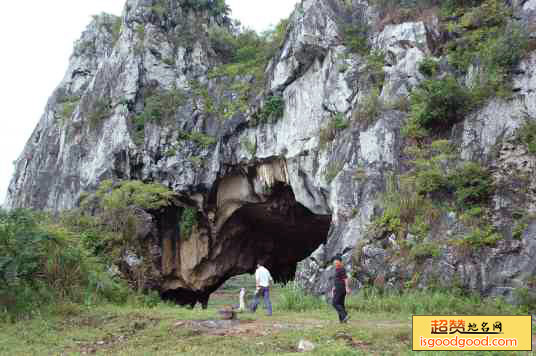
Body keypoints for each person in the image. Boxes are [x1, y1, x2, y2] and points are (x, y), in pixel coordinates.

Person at [331, 254, 351, 323]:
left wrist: (347, 288)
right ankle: (342, 320)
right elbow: (336, 279)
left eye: (336, 261)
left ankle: (345, 315)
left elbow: (345, 279)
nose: (334, 262)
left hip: (340, 289)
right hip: (338, 288)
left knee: (334, 303)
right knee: (341, 304)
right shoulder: (337, 269)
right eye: (334, 261)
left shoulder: (341, 269)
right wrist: (333, 288)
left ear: (339, 262)